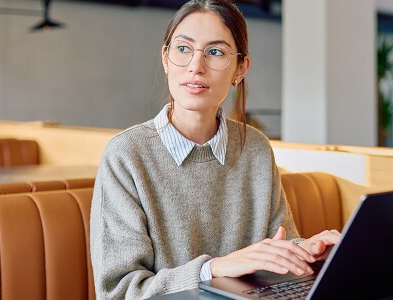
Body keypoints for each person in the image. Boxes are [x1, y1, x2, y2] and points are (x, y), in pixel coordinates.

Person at [89, 1, 341, 298]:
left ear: (240, 68)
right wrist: (213, 269)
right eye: (183, 49)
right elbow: (119, 292)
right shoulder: (126, 156)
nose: (196, 66)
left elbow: (276, 244)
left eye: (215, 52)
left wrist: (308, 249)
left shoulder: (256, 148)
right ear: (166, 59)